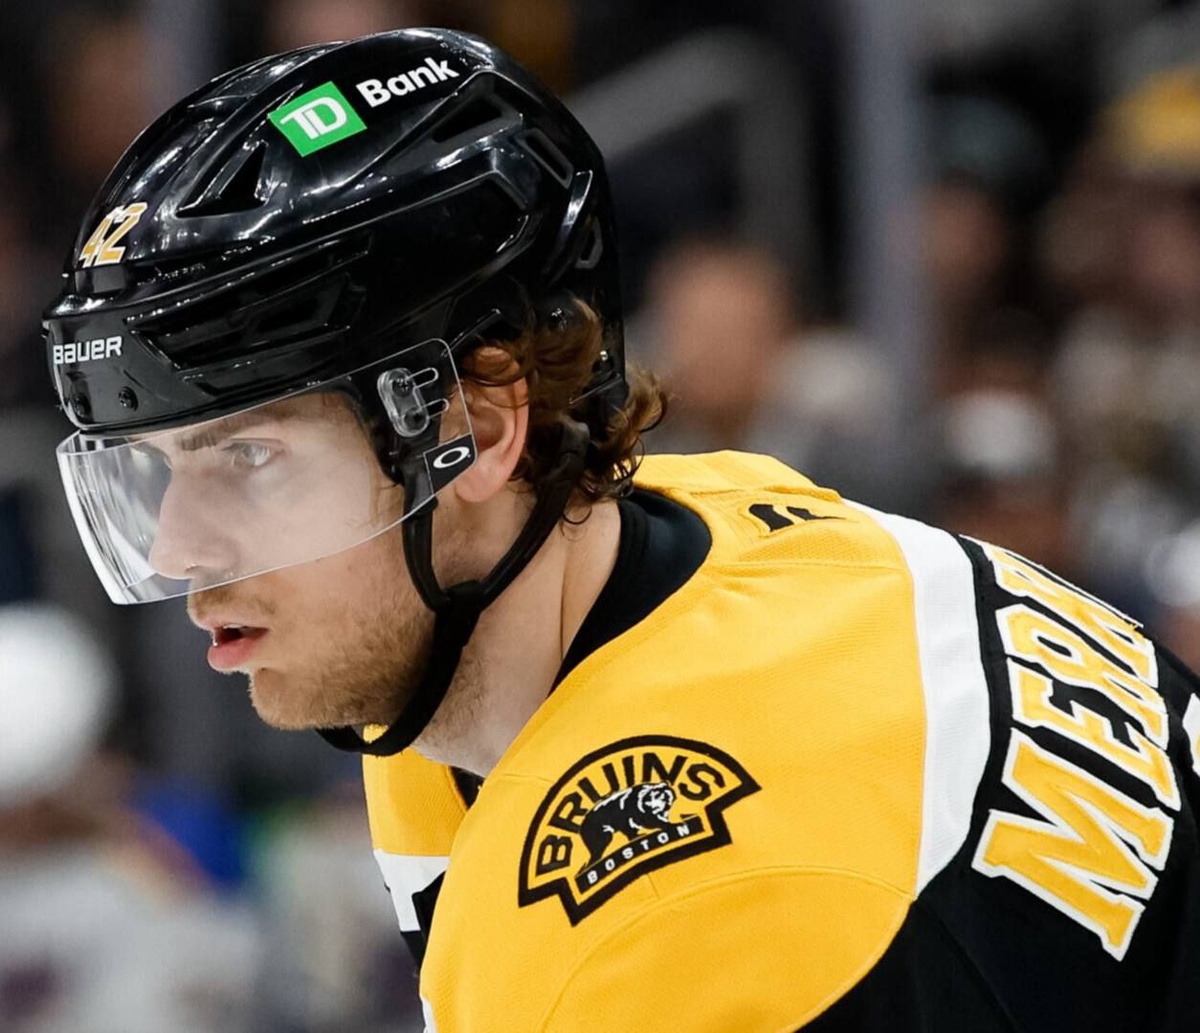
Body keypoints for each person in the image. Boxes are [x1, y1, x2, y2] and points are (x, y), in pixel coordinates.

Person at [41, 28, 1200, 1033]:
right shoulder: (701, 523)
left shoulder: (680, 915)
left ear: (481, 425)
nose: (179, 548)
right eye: (157, 469)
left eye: (249, 458)